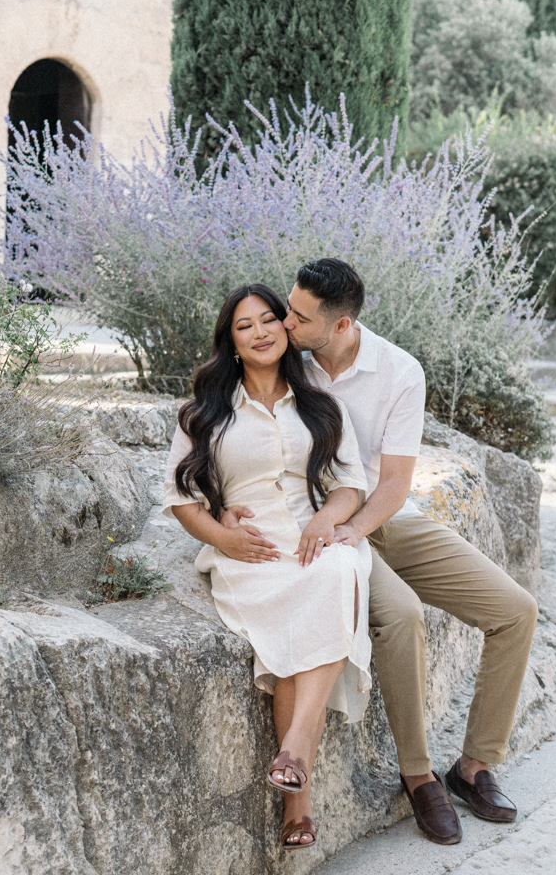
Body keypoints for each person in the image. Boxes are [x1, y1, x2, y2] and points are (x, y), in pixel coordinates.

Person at [283, 257, 538, 845]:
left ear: (341, 324)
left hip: (386, 516)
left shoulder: (399, 371)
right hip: (323, 521)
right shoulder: (289, 364)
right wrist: (339, 529)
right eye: (290, 308)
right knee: (401, 616)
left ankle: (474, 767)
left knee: (515, 611)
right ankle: (419, 776)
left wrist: (361, 527)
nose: (288, 321)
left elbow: (396, 483)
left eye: (300, 315)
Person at [162, 283, 372, 852]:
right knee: (290, 636)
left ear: (286, 328)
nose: (258, 332)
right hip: (250, 553)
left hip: (312, 540)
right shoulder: (205, 411)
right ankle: (298, 790)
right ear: (230, 342)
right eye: (243, 325)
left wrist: (327, 519)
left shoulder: (321, 405)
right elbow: (179, 498)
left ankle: (294, 763)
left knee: (338, 573)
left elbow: (351, 483)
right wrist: (223, 538)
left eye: (267, 320)